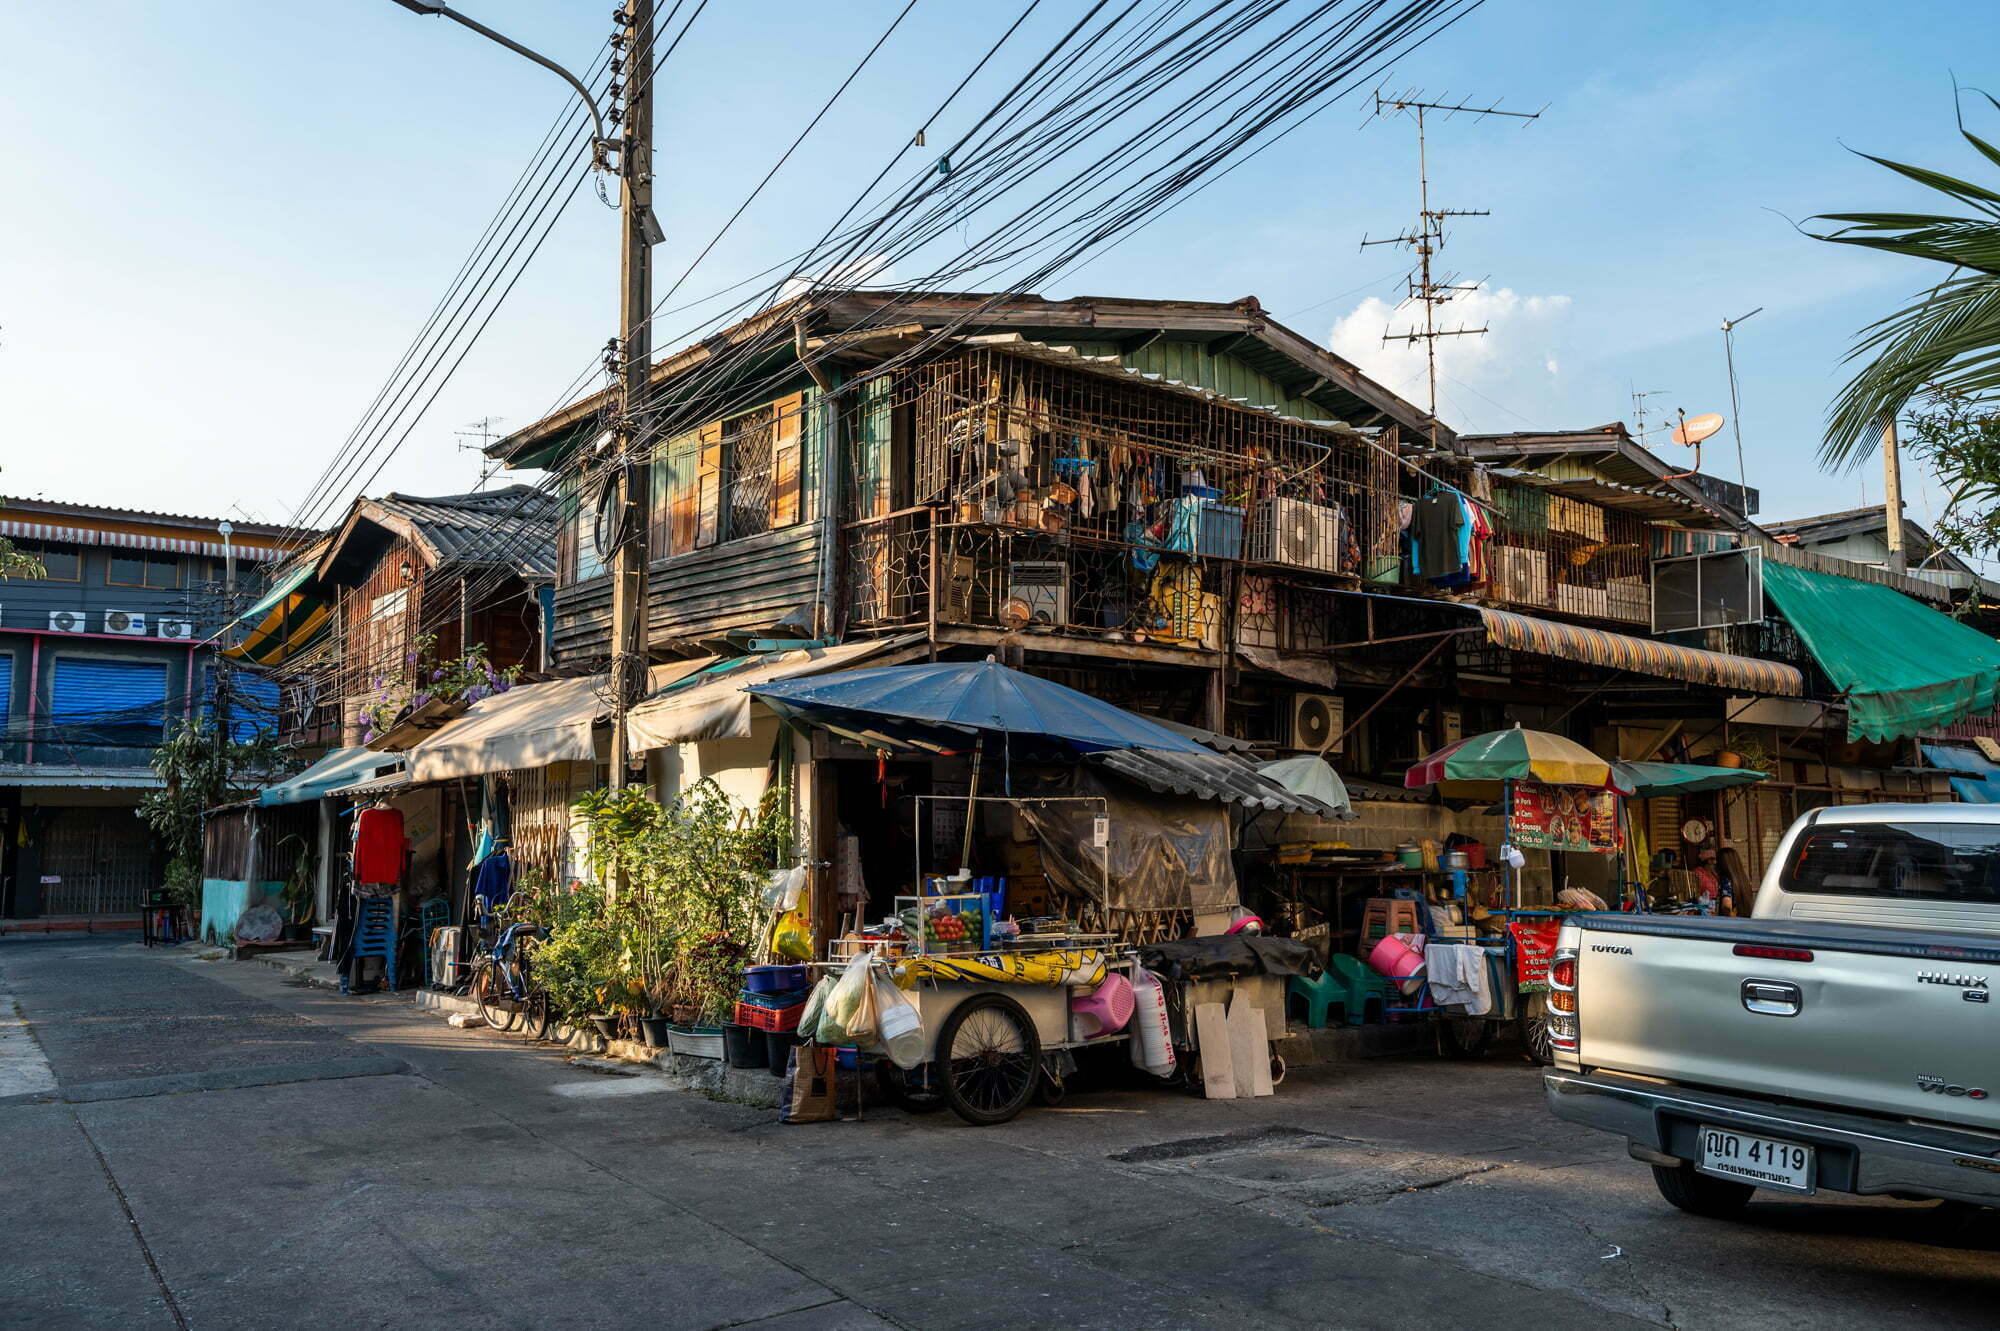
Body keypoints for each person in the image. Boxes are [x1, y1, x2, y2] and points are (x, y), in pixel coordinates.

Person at [1692, 846, 1736, 916]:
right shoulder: (1698, 872)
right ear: (1707, 861)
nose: (1715, 863)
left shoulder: (1714, 874)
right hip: (1704, 906)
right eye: (1713, 860)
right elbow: (1695, 891)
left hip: (1715, 906)